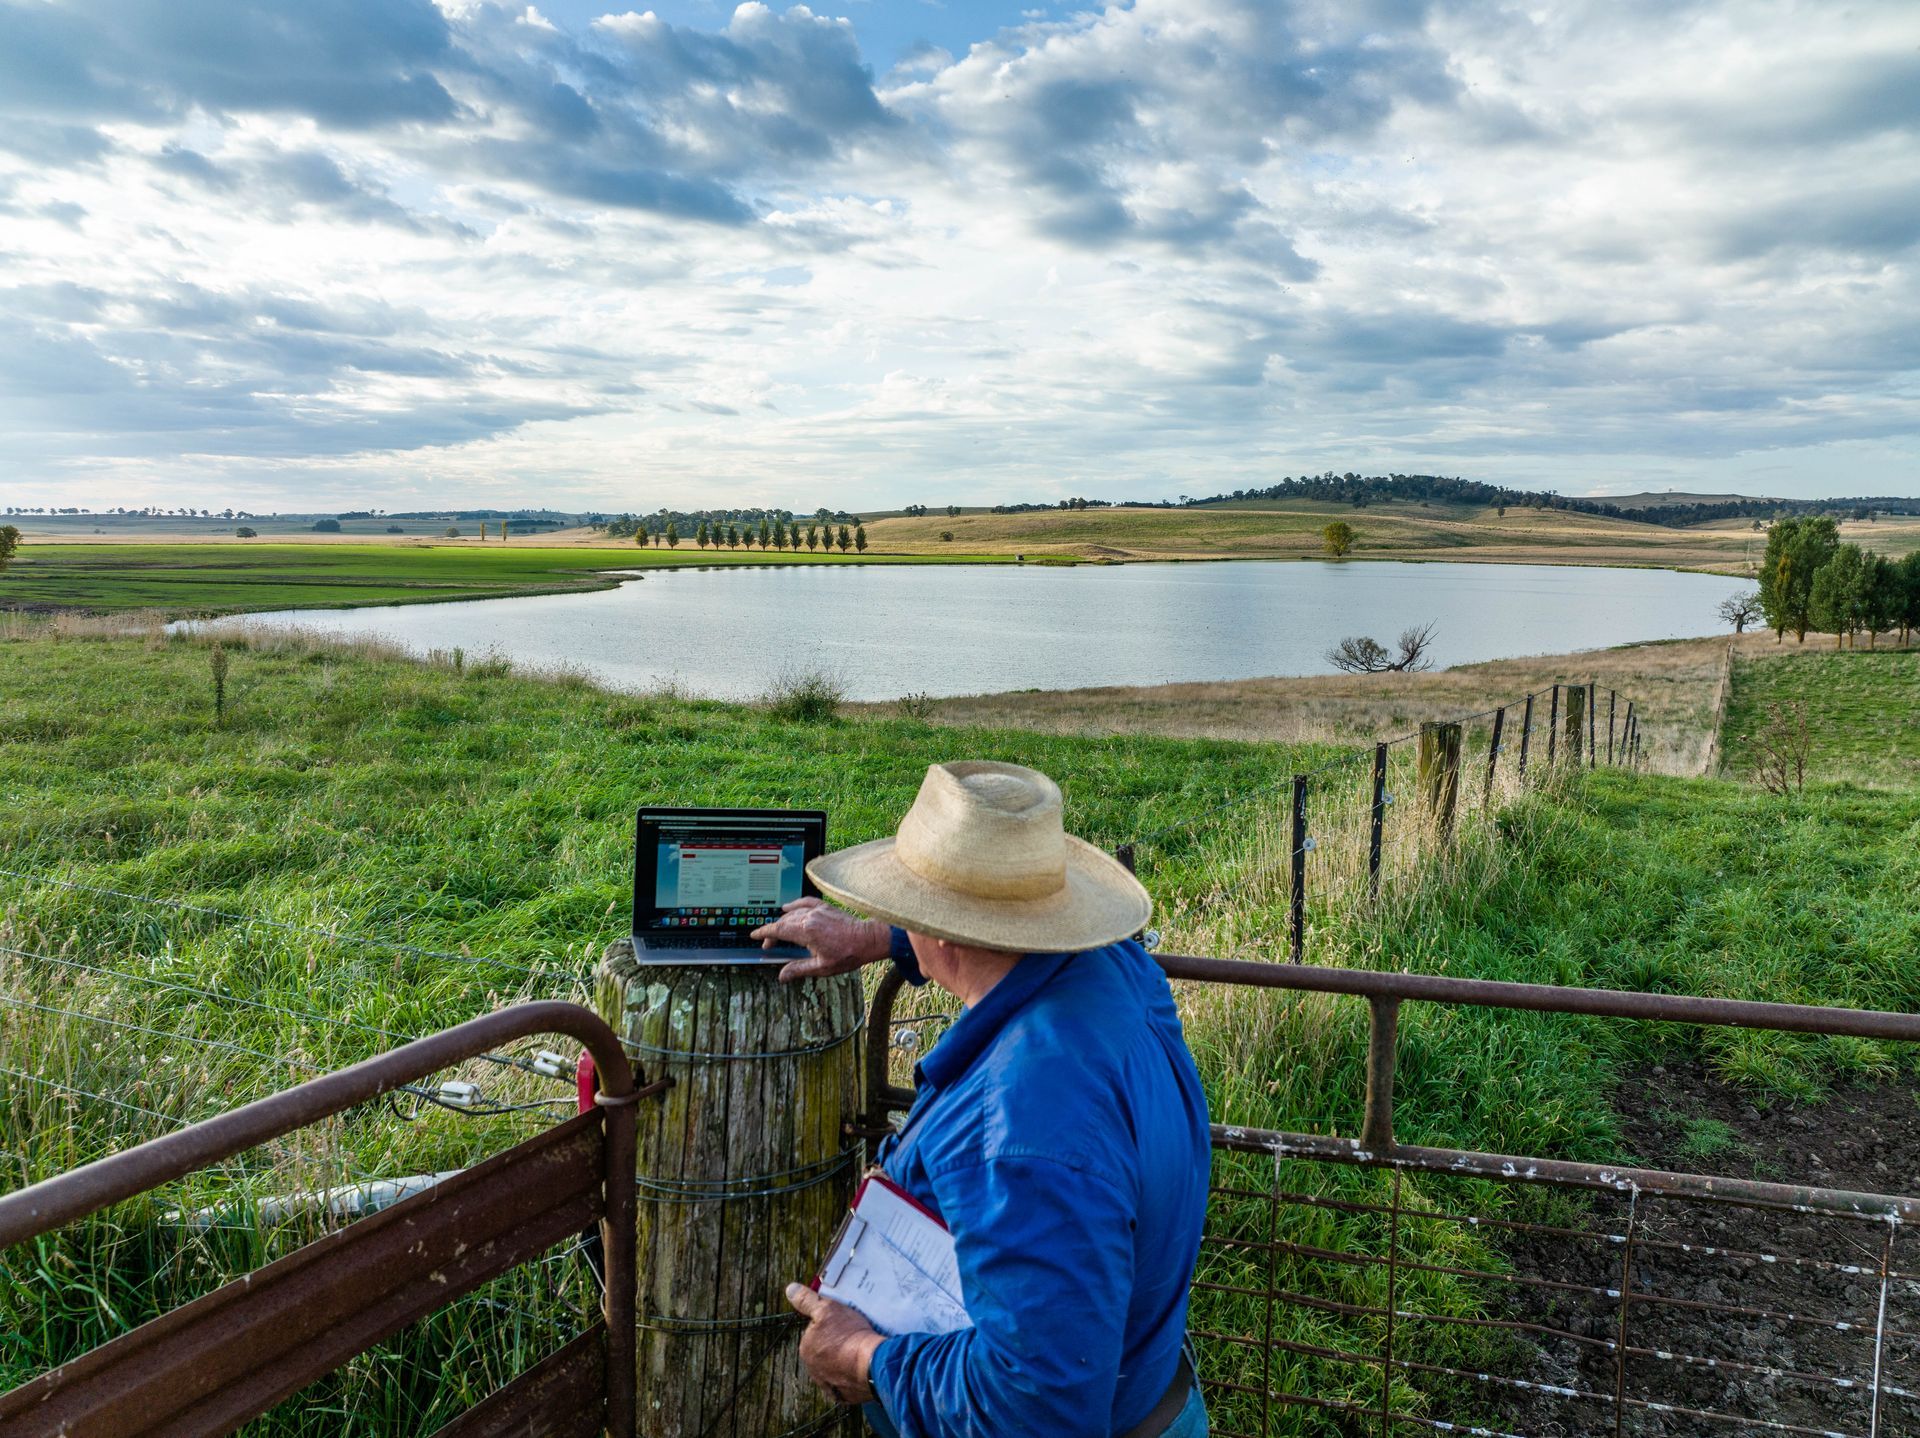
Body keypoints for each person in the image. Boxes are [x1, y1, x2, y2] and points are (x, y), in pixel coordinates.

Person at [751, 760, 1211, 1438]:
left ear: (942, 930)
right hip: (1153, 1395)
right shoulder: (1115, 970)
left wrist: (862, 1357)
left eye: (906, 906)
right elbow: (992, 939)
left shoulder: (1020, 1133)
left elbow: (1037, 1410)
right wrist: (880, 940)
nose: (896, 916)